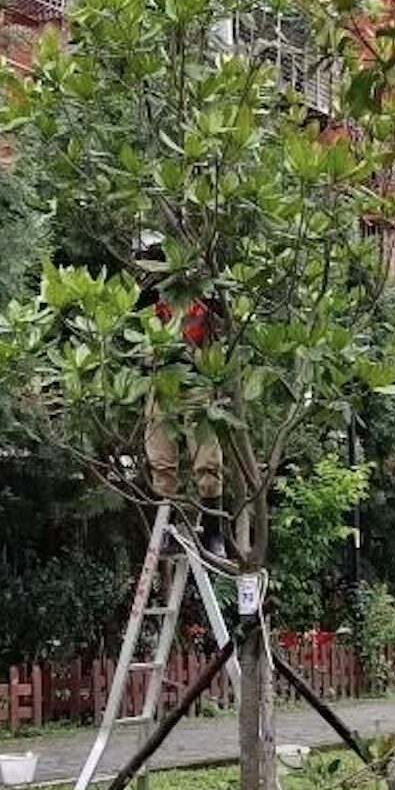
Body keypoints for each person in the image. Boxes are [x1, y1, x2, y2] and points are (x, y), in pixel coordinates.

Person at [136, 232, 226, 556]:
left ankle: (213, 533)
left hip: (196, 379)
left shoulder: (202, 292)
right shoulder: (152, 293)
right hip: (162, 381)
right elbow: (133, 312)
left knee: (207, 459)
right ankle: (166, 527)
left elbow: (225, 316)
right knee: (161, 460)